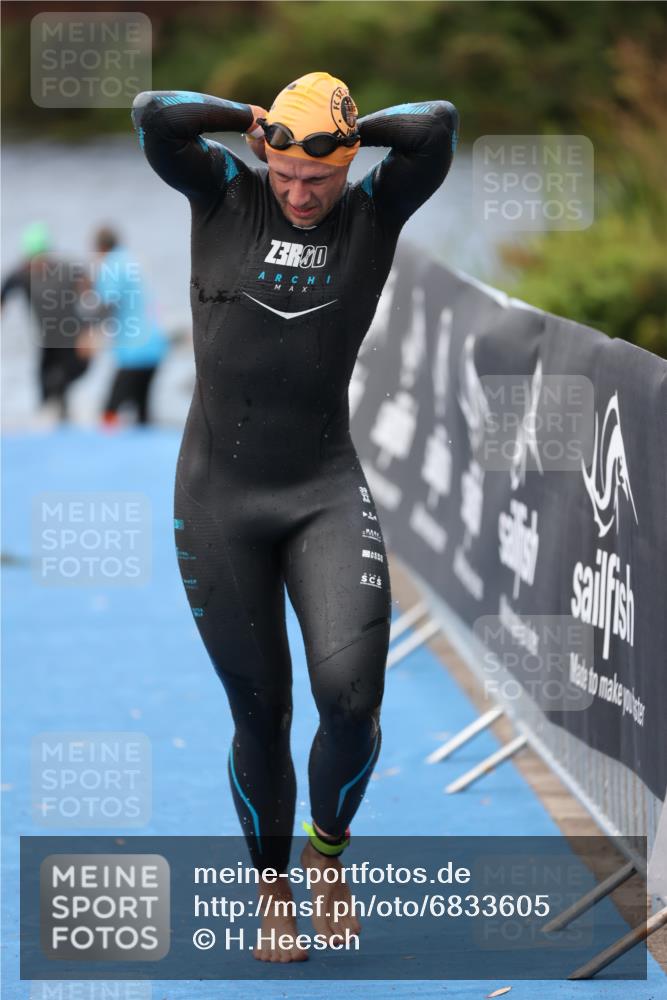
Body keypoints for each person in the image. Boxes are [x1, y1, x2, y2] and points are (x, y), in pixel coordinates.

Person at [132, 71, 458, 962]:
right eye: (285, 173)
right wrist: (254, 122)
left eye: (318, 177)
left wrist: (337, 128)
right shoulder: (223, 194)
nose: (300, 193)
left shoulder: (374, 212)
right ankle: (271, 888)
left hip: (320, 487)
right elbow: (154, 117)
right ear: (261, 159)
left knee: (350, 698)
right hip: (218, 500)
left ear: (348, 165)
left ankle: (327, 856)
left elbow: (436, 122)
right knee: (261, 710)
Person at [1, 222, 89, 423]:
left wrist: (90, 330)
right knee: (44, 389)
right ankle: (54, 425)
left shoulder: (65, 269)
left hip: (72, 339)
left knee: (62, 382)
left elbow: (90, 288)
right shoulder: (20, 275)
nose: (38, 265)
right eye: (33, 260)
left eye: (43, 259)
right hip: (47, 340)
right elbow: (3, 297)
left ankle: (65, 418)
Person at [89, 227, 168, 426]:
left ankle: (103, 452)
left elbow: (106, 305)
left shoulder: (111, 265)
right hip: (156, 345)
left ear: (100, 248)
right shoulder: (132, 260)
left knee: (109, 411)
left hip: (135, 352)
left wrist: (88, 333)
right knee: (142, 412)